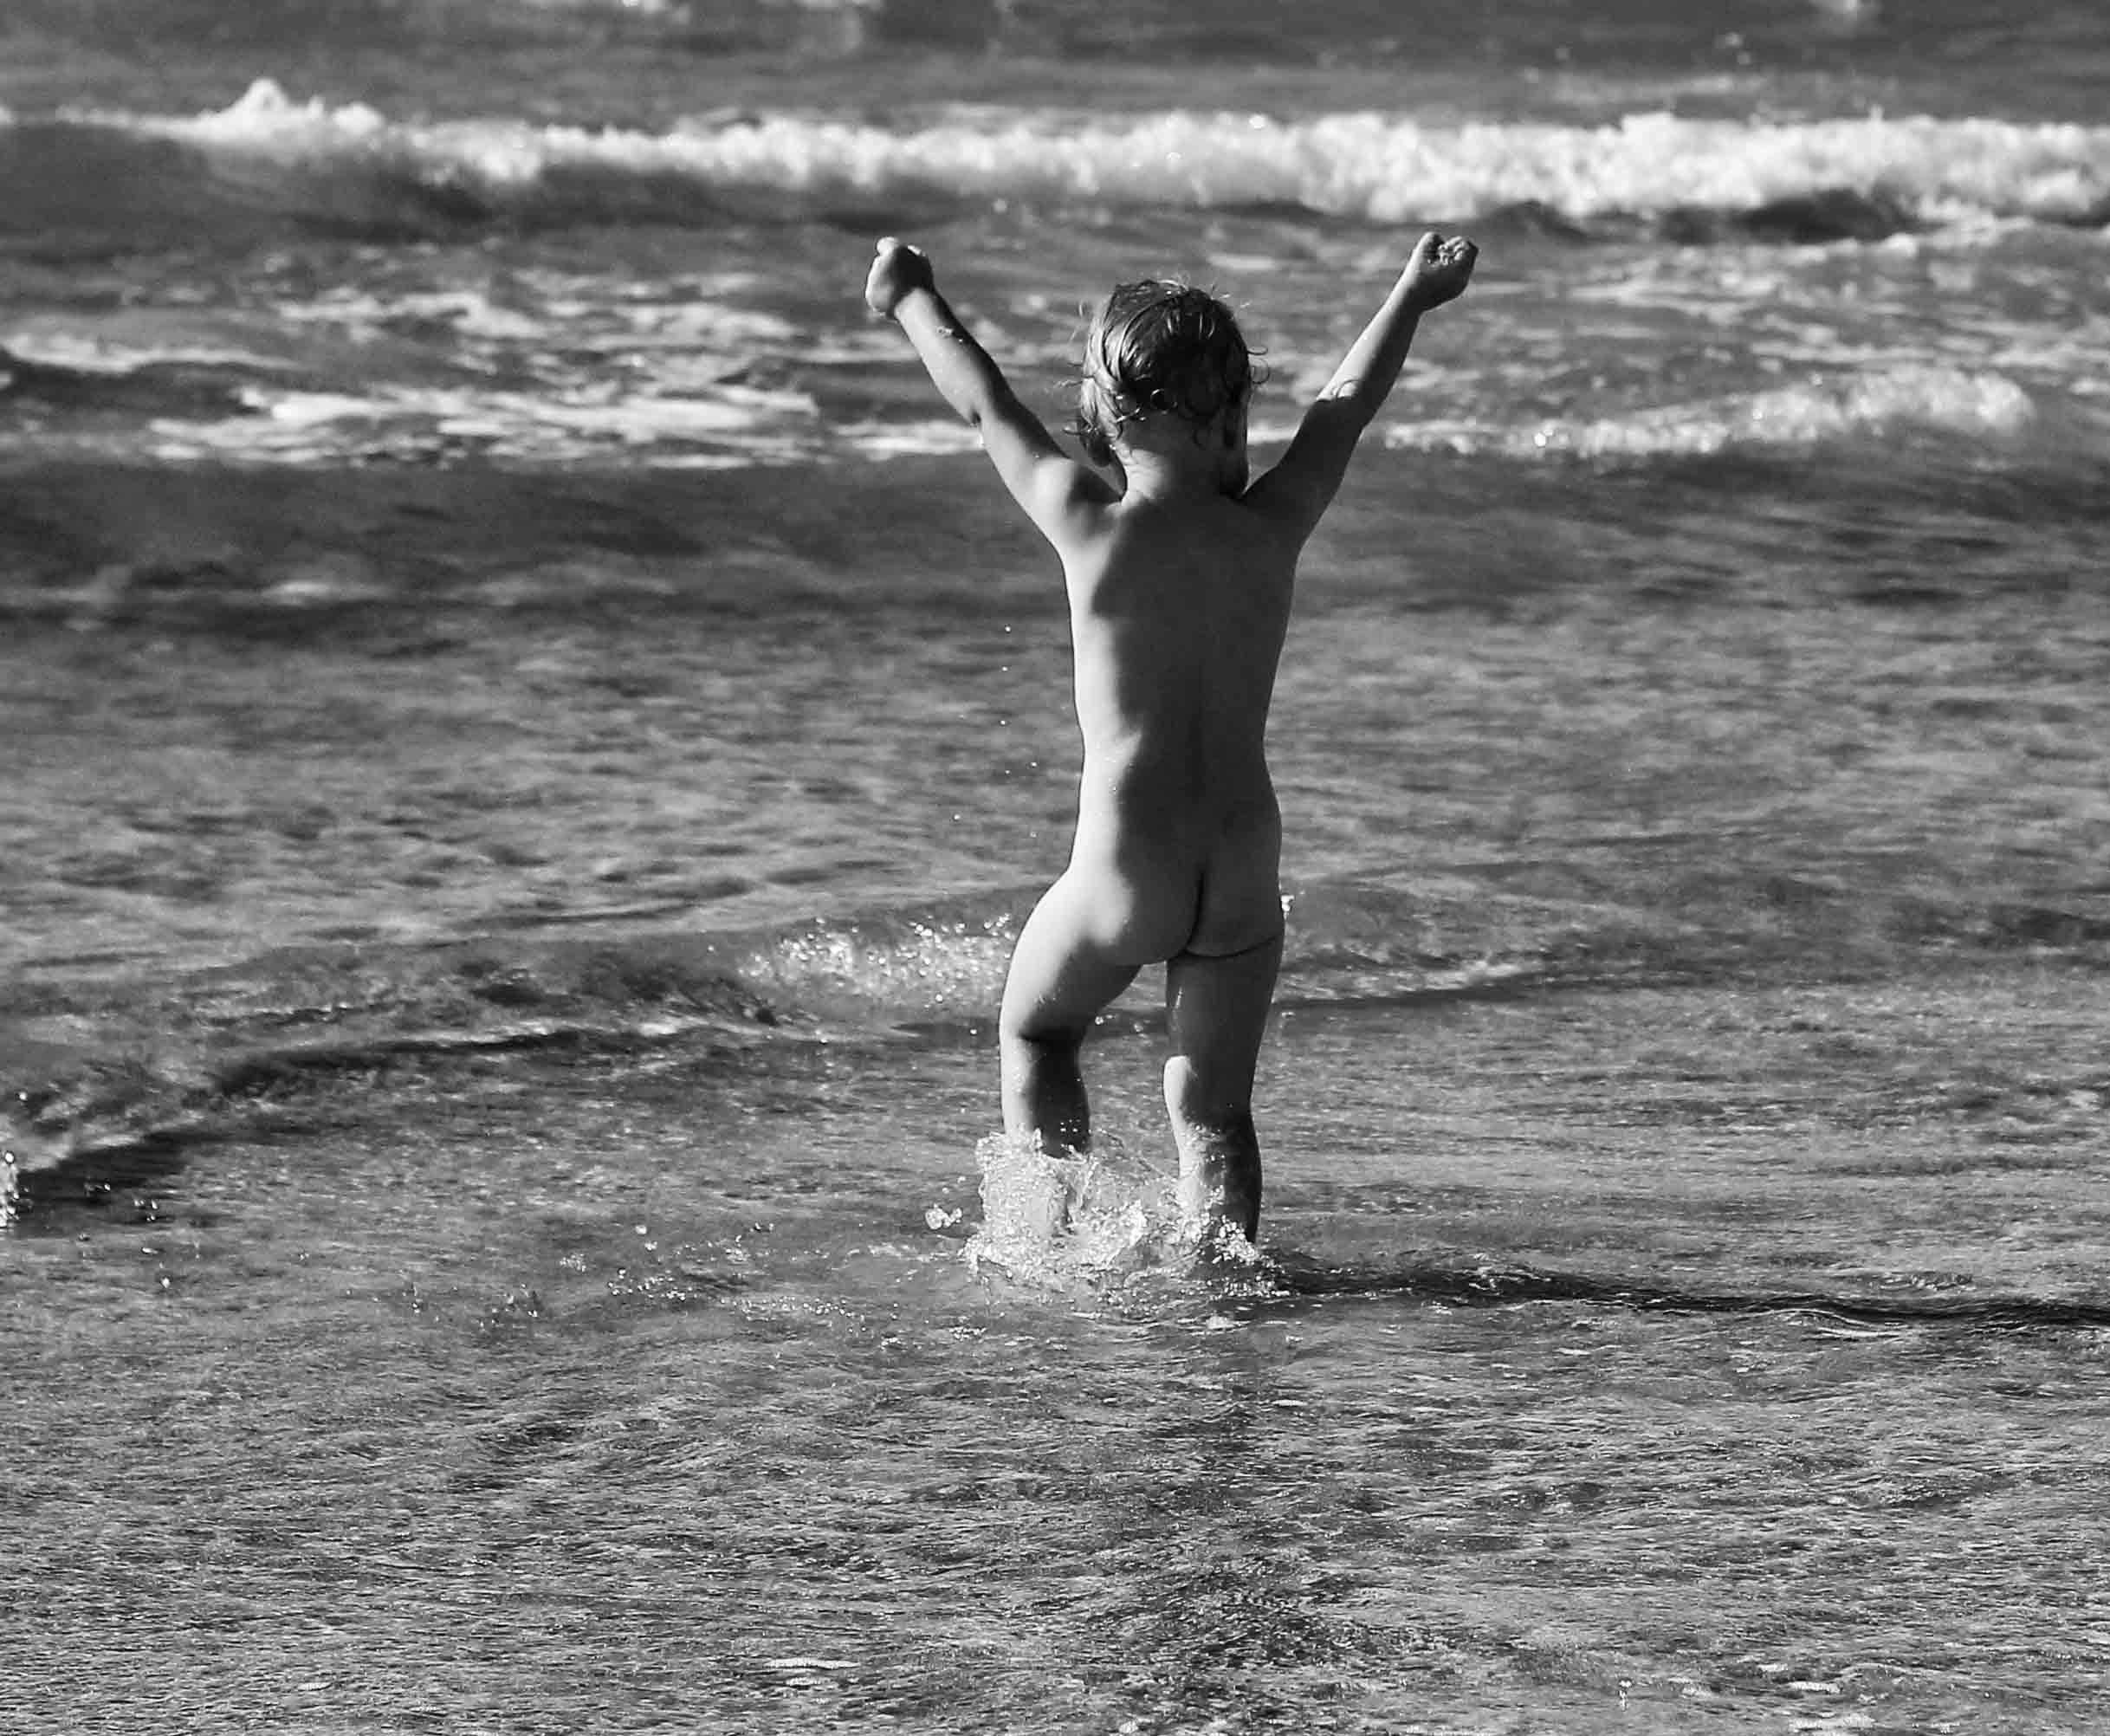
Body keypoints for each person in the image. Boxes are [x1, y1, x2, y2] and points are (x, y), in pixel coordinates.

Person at [864, 229, 1477, 1243]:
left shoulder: (1084, 519)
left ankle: (1045, 1239)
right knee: (1214, 1110)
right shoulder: (1273, 522)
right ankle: (1223, 1275)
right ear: (1236, 416)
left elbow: (983, 401)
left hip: (1125, 863)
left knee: (1040, 1029)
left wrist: (911, 297)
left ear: (1104, 424)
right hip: (1241, 863)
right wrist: (1411, 295)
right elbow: (1345, 409)